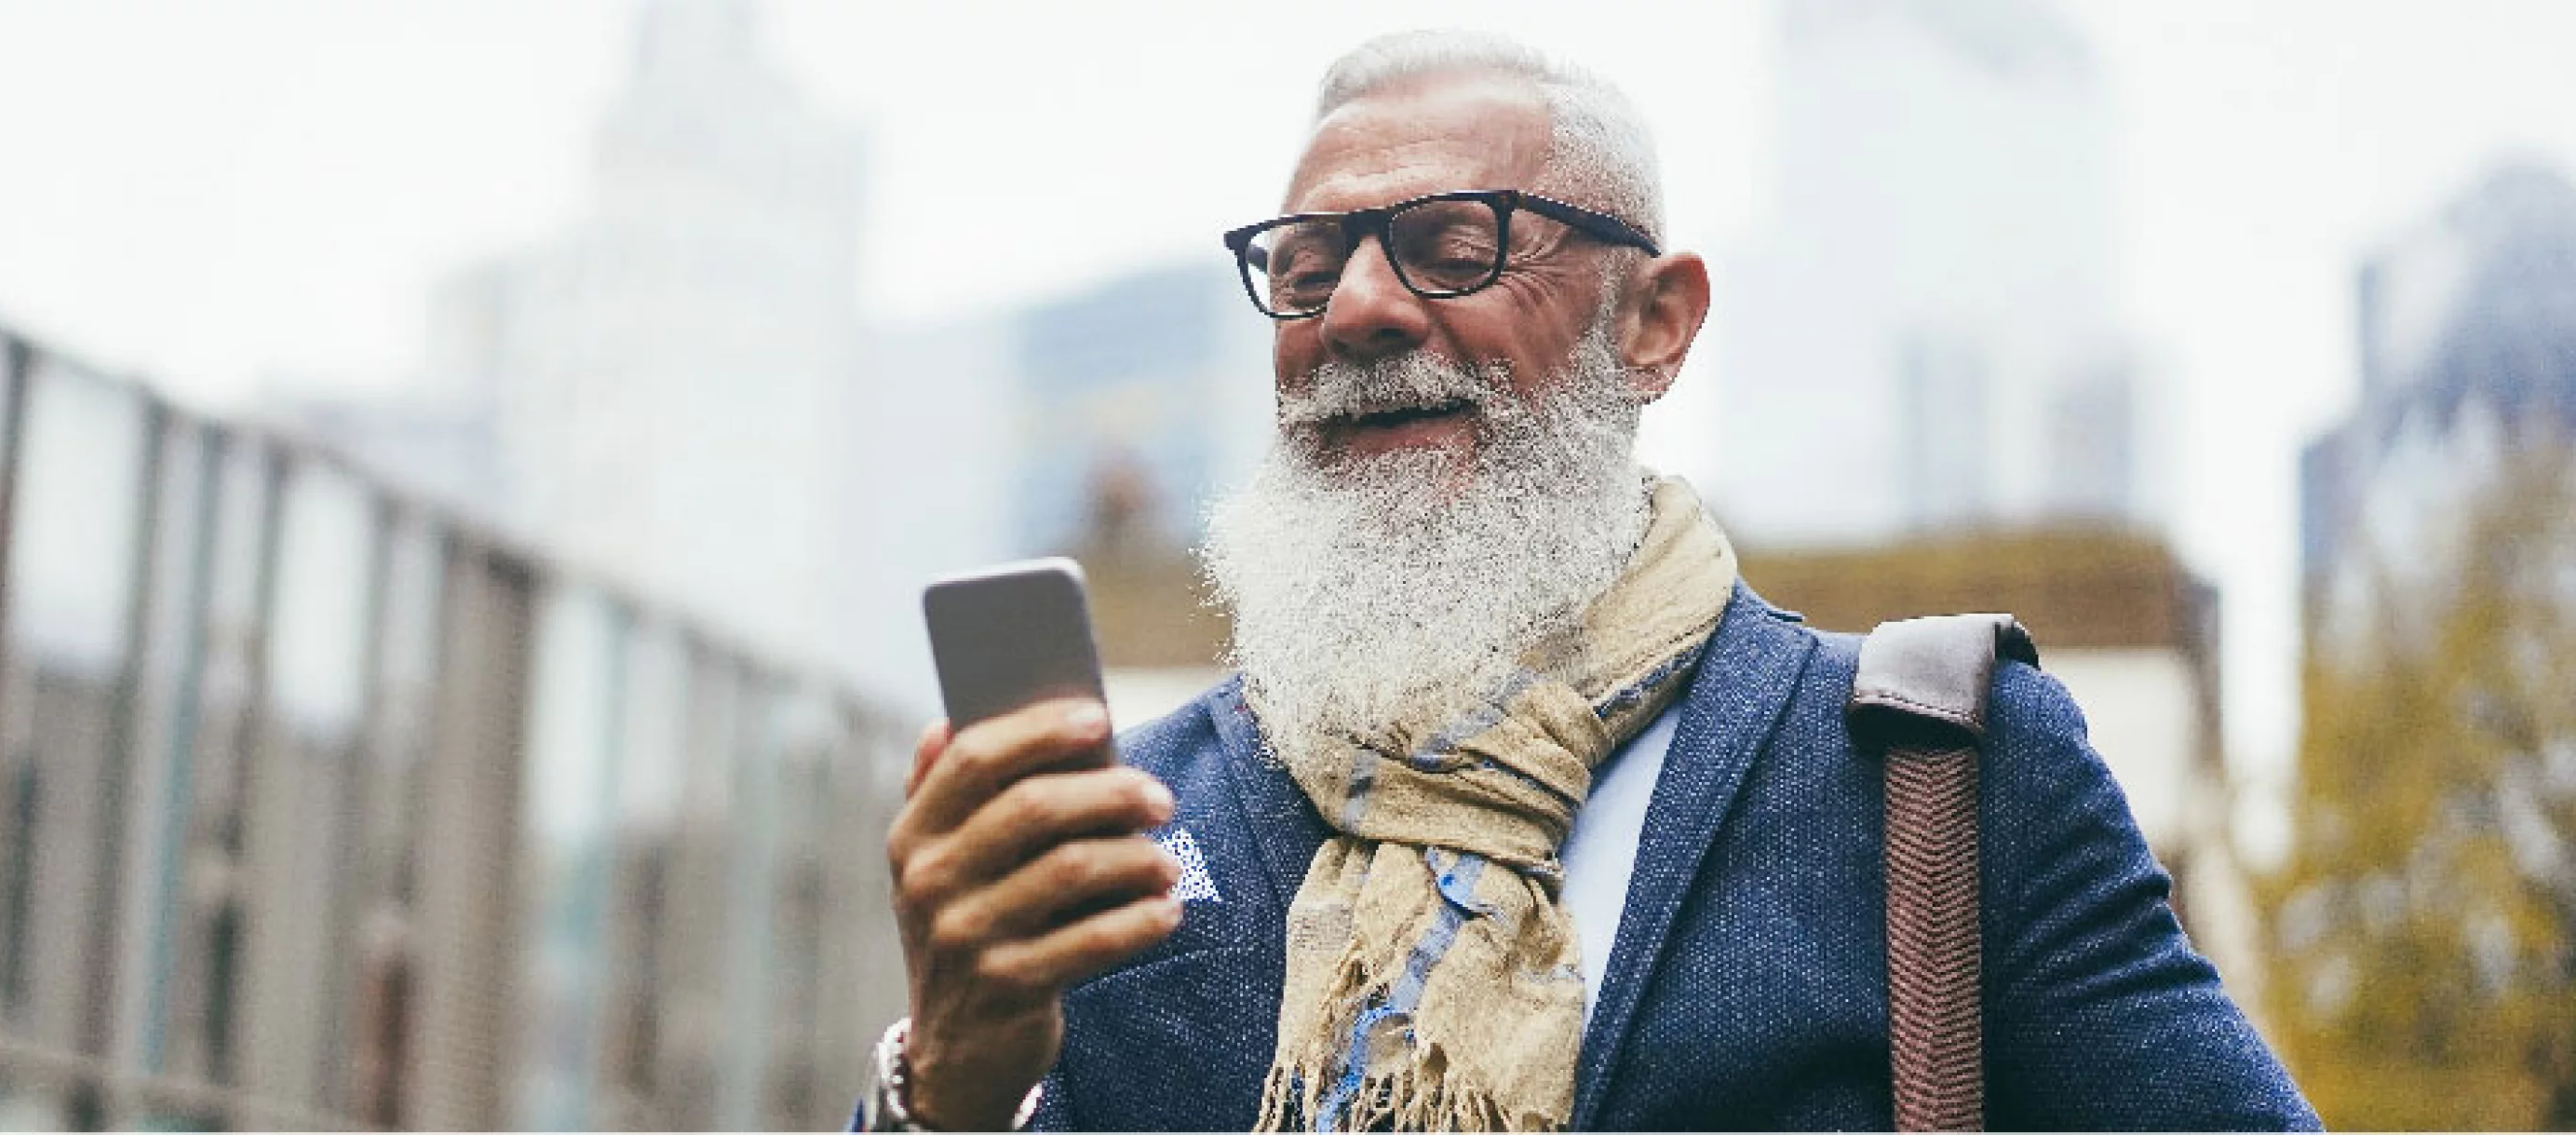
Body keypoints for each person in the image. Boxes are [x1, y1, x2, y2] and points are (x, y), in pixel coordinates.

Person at [866, 29, 2318, 1132]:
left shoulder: (1933, 771)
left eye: (1453, 243)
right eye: (1307, 268)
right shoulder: (1129, 818)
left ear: (1655, 324)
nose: (1358, 309)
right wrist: (945, 1088)